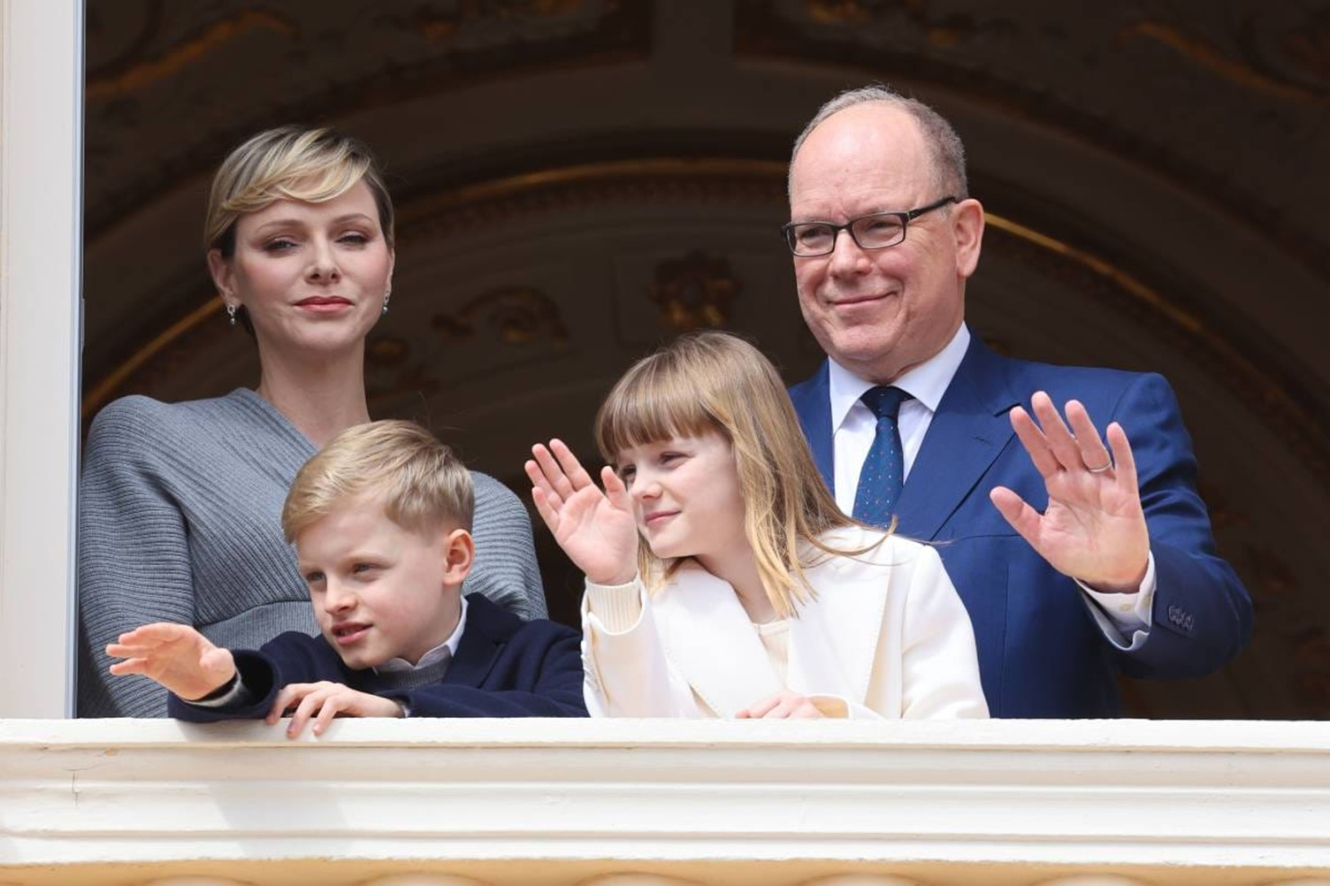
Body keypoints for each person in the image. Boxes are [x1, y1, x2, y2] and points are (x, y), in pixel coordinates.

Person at [783, 85, 1253, 717]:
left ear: (964, 236)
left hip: (1002, 815)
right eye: (815, 233)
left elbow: (1211, 635)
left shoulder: (1090, 422)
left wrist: (1126, 577)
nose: (842, 262)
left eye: (878, 226)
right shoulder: (734, 439)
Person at [80, 126, 546, 718]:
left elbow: (534, 730)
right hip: (226, 804)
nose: (324, 266)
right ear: (226, 275)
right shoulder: (153, 444)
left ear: (389, 263)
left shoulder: (488, 510)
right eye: (281, 244)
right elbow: (146, 694)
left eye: (352, 238)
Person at [526, 331, 988, 719]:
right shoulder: (630, 607)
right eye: (628, 470)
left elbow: (961, 765)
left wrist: (840, 731)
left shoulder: (902, 574)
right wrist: (613, 582)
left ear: (752, 450)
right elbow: (637, 755)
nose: (640, 488)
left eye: (669, 458)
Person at [106, 420, 586, 736]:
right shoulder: (306, 658)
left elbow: (575, 724)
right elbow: (248, 698)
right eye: (316, 577)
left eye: (362, 569)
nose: (334, 600)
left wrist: (400, 710)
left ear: (453, 559)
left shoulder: (543, 651)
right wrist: (214, 682)